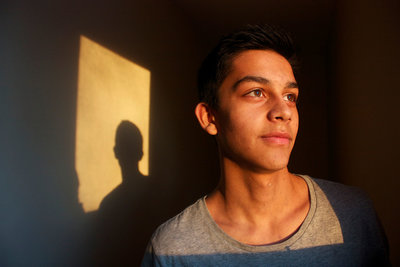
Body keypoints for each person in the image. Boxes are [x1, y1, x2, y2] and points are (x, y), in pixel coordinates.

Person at [141, 24, 389, 266]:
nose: (283, 112)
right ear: (210, 117)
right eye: (257, 92)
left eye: (290, 97)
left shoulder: (354, 213)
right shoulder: (172, 247)